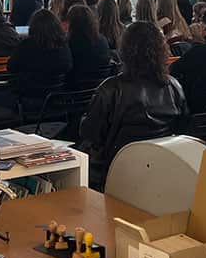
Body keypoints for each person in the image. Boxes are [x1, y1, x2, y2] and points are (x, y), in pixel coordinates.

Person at [79, 21, 188, 190]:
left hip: (114, 172)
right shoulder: (174, 87)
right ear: (161, 50)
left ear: (125, 50)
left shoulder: (110, 89)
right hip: (158, 170)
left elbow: (90, 133)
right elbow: (182, 130)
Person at [7, 8, 73, 114]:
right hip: (56, 101)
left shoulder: (25, 46)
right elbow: (68, 67)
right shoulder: (63, 46)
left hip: (28, 99)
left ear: (32, 27)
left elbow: (11, 67)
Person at [66, 4, 111, 83]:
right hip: (100, 85)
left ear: (71, 23)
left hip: (75, 86)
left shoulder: (69, 43)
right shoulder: (103, 40)